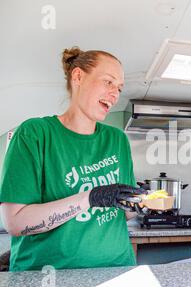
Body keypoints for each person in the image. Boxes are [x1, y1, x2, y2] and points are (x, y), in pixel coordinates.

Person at [0, 46, 145, 271]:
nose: (115, 94)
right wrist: (91, 197)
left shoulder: (117, 140)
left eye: (119, 88)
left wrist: (139, 203)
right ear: (78, 76)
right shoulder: (34, 134)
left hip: (117, 269)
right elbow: (16, 223)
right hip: (49, 277)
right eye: (108, 82)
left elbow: (123, 213)